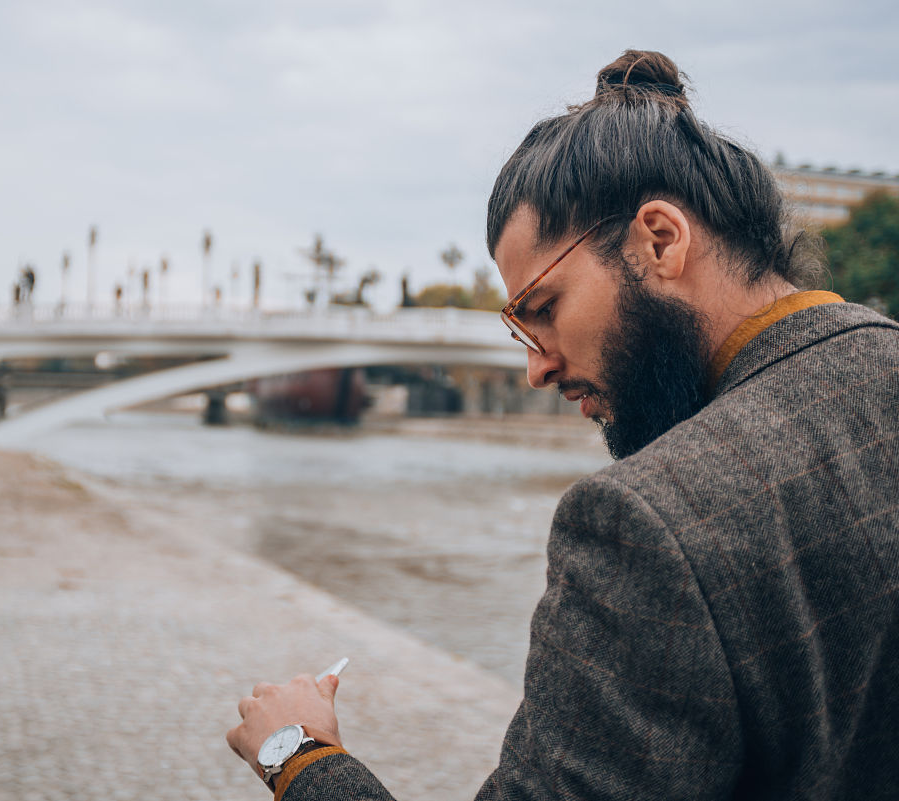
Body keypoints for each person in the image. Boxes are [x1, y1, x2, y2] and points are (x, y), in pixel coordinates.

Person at [226, 50, 899, 800]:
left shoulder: (650, 524)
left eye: (542, 311)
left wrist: (299, 755)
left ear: (660, 241)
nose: (536, 369)